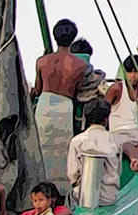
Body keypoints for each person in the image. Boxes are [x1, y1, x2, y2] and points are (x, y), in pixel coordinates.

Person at [33, 19, 90, 191]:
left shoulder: (42, 61)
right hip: (65, 106)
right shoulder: (80, 64)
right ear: (72, 38)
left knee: (42, 149)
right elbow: (78, 90)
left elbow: (37, 89)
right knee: (63, 152)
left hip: (44, 104)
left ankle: (40, 190)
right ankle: (60, 192)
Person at [68, 99, 122, 207]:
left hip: (82, 198)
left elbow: (72, 174)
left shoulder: (77, 141)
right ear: (106, 119)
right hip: (109, 197)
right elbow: (118, 170)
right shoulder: (115, 140)